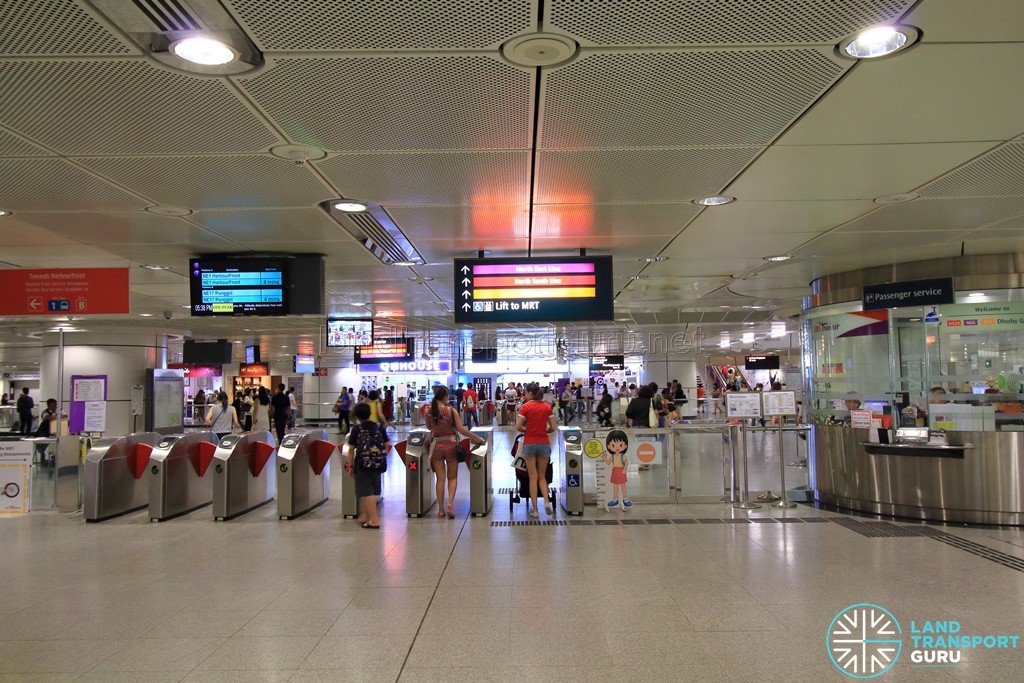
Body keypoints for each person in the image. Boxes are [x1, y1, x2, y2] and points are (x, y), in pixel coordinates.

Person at [425, 386, 483, 519]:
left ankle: (440, 510)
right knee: (452, 478)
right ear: (445, 396)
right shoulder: (451, 410)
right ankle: (450, 503)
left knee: (440, 479)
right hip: (451, 445)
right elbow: (461, 429)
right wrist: (475, 437)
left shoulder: (428, 410)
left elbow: (429, 427)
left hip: (436, 446)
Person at [515, 383, 557, 518]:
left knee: (532, 477)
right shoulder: (547, 407)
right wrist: (546, 431)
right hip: (544, 443)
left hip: (529, 443)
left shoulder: (525, 407)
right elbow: (553, 427)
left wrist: (526, 431)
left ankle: (535, 510)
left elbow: (518, 426)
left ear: (531, 394)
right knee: (542, 476)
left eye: (526, 393)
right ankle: (546, 501)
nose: (525, 395)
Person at [346, 401, 388, 529]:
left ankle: (374, 520)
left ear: (357, 416)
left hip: (362, 464)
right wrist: (380, 456)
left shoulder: (357, 429)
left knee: (366, 491)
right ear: (370, 413)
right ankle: (364, 515)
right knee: (372, 491)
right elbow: (386, 444)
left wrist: (350, 466)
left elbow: (351, 449)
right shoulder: (378, 427)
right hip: (378, 464)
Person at [602, 429, 632, 510]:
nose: (617, 447)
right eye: (613, 445)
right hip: (615, 471)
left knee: (623, 485)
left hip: (621, 471)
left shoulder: (623, 456)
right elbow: (608, 462)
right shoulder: (612, 456)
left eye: (620, 445)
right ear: (609, 446)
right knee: (615, 485)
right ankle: (615, 499)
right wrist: (604, 458)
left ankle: (625, 499)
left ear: (625, 446)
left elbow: (626, 462)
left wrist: (625, 469)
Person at [34, 398, 60, 466]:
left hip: (53, 432)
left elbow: (65, 415)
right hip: (44, 431)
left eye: (55, 404)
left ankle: (53, 459)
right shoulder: (45, 412)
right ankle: (43, 461)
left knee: (54, 446)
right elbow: (47, 417)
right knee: (43, 447)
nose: (54, 406)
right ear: (48, 405)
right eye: (52, 405)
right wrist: (58, 416)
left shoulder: (58, 410)